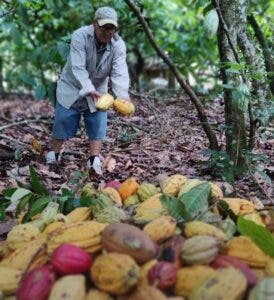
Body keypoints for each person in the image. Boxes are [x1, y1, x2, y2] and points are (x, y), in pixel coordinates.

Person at [46, 6, 130, 175]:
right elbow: (77, 67)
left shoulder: (118, 45)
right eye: (104, 27)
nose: (107, 32)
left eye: (111, 28)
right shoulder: (80, 36)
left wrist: (123, 97)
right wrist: (89, 89)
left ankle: (94, 159)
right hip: (72, 85)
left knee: (98, 120)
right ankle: (54, 153)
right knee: (63, 119)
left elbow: (119, 72)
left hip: (98, 87)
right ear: (94, 24)